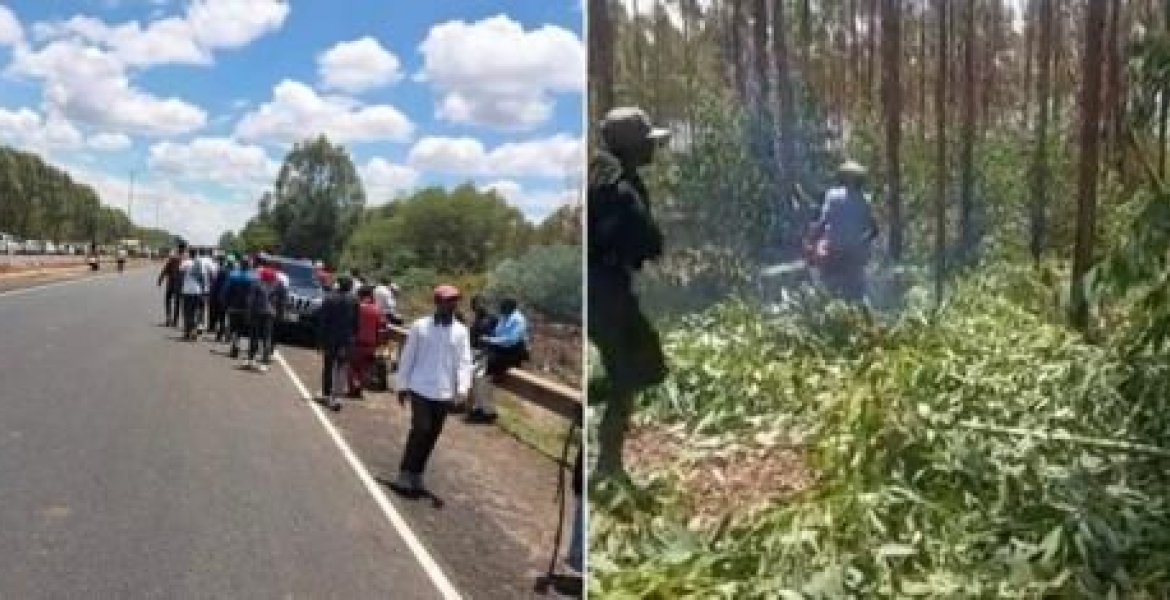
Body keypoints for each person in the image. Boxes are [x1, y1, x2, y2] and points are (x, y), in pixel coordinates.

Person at [588, 106, 671, 479]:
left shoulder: (601, 178)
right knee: (641, 368)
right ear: (632, 147)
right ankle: (608, 463)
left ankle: (609, 458)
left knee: (637, 368)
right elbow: (646, 241)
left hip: (606, 290)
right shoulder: (620, 188)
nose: (653, 149)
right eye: (647, 143)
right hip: (608, 293)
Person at [390, 285, 473, 497]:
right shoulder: (420, 326)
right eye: (447, 300)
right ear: (437, 302)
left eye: (455, 300)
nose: (452, 304)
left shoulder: (461, 332)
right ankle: (405, 472)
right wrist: (402, 385)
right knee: (421, 429)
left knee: (432, 435)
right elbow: (408, 356)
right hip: (420, 387)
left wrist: (463, 389)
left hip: (444, 392)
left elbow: (465, 362)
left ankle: (418, 473)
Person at [805, 160, 879, 303]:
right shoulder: (865, 200)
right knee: (856, 292)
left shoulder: (832, 196)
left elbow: (823, 222)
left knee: (829, 288)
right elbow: (874, 230)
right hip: (854, 255)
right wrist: (859, 244)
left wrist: (810, 242)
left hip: (834, 251)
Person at [470, 298, 529, 424]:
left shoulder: (518, 320)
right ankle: (480, 407)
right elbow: (497, 334)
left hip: (511, 353)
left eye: (503, 308)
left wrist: (490, 340)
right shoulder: (504, 316)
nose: (501, 310)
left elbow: (511, 340)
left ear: (511, 308)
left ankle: (488, 412)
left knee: (482, 376)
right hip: (498, 350)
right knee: (476, 373)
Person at [316, 276, 360, 411]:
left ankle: (326, 394)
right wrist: (353, 338)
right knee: (341, 367)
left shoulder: (329, 298)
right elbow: (356, 322)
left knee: (328, 366)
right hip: (346, 340)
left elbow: (322, 321)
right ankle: (338, 397)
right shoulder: (354, 300)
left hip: (330, 339)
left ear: (338, 285)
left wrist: (320, 340)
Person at [243, 265, 286, 371]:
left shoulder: (256, 282)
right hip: (270, 314)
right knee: (267, 338)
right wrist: (281, 314)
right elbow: (282, 301)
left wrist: (248, 313)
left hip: (257, 312)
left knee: (254, 336)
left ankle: (251, 360)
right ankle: (264, 363)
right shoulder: (278, 284)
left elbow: (251, 300)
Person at [348, 286, 387, 399]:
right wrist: (379, 343)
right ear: (371, 295)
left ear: (360, 295)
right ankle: (359, 388)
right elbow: (382, 328)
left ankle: (353, 388)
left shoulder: (356, 307)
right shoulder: (377, 309)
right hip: (370, 344)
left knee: (351, 366)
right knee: (364, 368)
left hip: (355, 343)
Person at [222, 257, 255, 359]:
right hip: (246, 307)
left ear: (240, 264)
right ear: (249, 266)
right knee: (241, 329)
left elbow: (226, 290)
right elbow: (254, 293)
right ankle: (236, 346)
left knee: (233, 327)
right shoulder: (253, 277)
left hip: (233, 306)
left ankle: (234, 345)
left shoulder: (233, 275)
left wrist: (224, 302)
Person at [178, 248, 210, 340]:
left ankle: (187, 332)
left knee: (188, 313)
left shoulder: (185, 263)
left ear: (189, 254)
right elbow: (203, 278)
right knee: (196, 312)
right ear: (196, 254)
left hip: (187, 291)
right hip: (197, 291)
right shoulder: (200, 264)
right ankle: (194, 331)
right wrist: (203, 291)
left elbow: (180, 272)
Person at [158, 243, 186, 327]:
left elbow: (166, 269)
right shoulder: (186, 259)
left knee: (168, 300)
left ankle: (168, 318)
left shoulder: (173, 258)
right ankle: (175, 321)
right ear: (184, 249)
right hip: (180, 284)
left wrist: (160, 279)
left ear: (178, 248)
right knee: (177, 302)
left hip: (171, 283)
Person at [208, 255, 231, 342]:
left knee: (221, 317)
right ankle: (227, 336)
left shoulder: (222, 271)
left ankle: (220, 335)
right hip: (230, 299)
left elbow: (215, 285)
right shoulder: (235, 272)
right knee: (228, 318)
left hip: (221, 297)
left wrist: (212, 295)